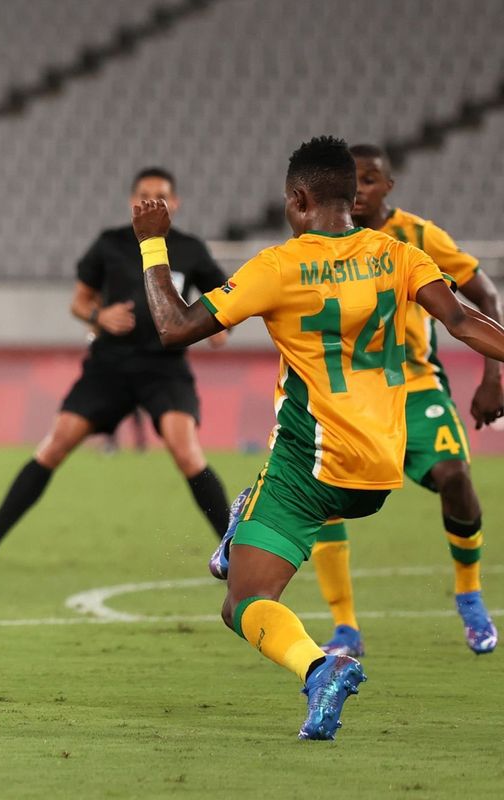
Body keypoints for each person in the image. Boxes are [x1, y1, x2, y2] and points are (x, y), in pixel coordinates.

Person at [135, 135, 504, 739]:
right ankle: (245, 522)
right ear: (352, 197)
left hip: (313, 470)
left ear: (299, 199)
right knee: (316, 472)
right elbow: (464, 320)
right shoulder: (398, 254)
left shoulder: (278, 267)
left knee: (242, 603)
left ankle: (317, 666)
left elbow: (174, 327)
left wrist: (153, 243)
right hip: (380, 471)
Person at [0, 167, 230, 579]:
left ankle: (235, 555)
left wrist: (214, 326)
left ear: (176, 203)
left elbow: (220, 303)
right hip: (109, 366)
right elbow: (78, 303)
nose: (153, 201)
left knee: (186, 451)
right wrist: (100, 315)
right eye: (145, 195)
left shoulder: (190, 250)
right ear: (132, 202)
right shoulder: (109, 244)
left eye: (162, 195)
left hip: (164, 368)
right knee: (54, 447)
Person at [311, 144, 500, 656]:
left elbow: (483, 297)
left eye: (370, 180)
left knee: (456, 476)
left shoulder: (418, 236)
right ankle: (345, 627)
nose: (359, 191)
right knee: (323, 493)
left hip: (414, 384)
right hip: (348, 392)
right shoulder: (323, 239)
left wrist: (493, 375)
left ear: (388, 186)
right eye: (353, 181)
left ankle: (468, 593)